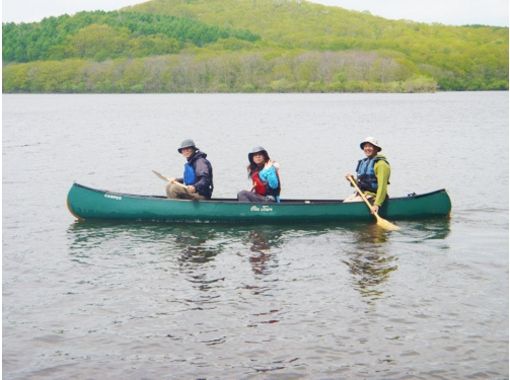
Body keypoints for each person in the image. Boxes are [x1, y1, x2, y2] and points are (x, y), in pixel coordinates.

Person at [344, 137, 390, 214]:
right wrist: (352, 180)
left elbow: (382, 187)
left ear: (376, 148)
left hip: (374, 197)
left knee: (347, 208)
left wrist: (376, 204)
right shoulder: (364, 162)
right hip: (362, 194)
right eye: (365, 146)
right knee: (345, 204)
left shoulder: (381, 164)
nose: (367, 149)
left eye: (370, 146)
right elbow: (360, 184)